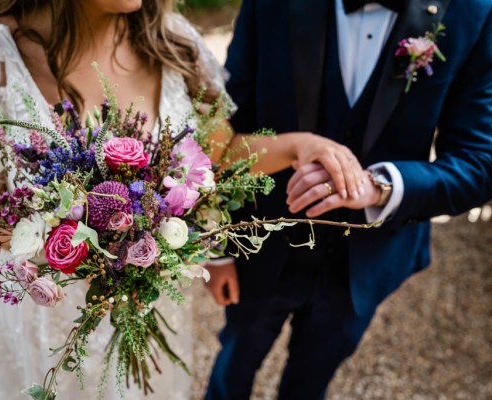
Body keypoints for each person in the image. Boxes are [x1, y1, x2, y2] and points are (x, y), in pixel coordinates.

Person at [0, 1, 362, 399]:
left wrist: (299, 145)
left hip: (145, 305)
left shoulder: (172, 42)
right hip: (43, 313)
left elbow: (215, 154)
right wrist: (75, 247)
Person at [205, 0, 492, 399]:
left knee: (311, 382)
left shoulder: (471, 11)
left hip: (367, 261)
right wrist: (217, 248)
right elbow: (224, 133)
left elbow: (478, 162)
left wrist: (382, 187)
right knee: (232, 368)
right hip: (260, 247)